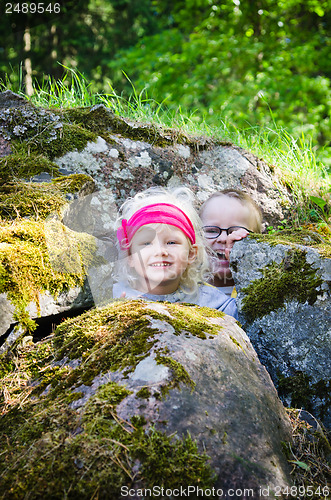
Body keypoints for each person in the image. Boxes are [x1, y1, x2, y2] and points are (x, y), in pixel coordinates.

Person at [113, 187, 238, 318]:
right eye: (147, 243)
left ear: (191, 254)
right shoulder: (112, 296)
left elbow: (249, 320)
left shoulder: (211, 302)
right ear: (130, 256)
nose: (160, 251)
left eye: (171, 242)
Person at [199, 189, 262, 297]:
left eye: (235, 232)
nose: (223, 239)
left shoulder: (264, 293)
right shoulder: (180, 291)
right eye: (211, 231)